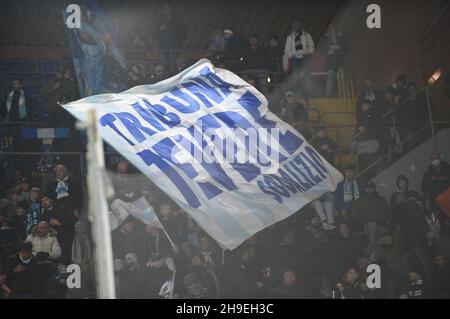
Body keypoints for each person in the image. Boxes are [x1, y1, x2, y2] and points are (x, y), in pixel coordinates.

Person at [283, 21, 315, 99]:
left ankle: (309, 95)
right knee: (295, 77)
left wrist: (307, 53)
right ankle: (296, 95)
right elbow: (287, 50)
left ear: (300, 26)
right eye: (294, 25)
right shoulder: (290, 37)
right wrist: (293, 55)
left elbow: (312, 47)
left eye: (297, 25)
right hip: (295, 59)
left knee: (307, 77)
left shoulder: (307, 35)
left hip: (305, 58)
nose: (295, 27)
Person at [352, 99, 384, 171]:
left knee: (371, 164)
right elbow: (358, 128)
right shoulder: (361, 116)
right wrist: (354, 139)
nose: (362, 106)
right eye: (362, 105)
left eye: (364, 105)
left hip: (371, 142)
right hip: (362, 143)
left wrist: (365, 127)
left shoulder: (374, 115)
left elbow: (375, 126)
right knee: (364, 165)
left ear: (370, 105)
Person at [154, 3, 186, 72]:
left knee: (172, 63)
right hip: (162, 45)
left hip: (173, 45)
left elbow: (183, 32)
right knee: (163, 63)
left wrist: (178, 43)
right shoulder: (160, 20)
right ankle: (164, 78)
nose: (166, 10)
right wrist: (159, 30)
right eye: (164, 8)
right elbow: (154, 33)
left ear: (171, 9)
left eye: (168, 8)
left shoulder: (177, 19)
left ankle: (172, 76)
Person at [322, 24, 346, 97]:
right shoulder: (325, 37)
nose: (331, 28)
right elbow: (322, 48)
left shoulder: (340, 36)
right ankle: (328, 93)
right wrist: (328, 51)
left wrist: (339, 48)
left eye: (332, 27)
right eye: (329, 27)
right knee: (330, 77)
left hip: (340, 59)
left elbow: (347, 47)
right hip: (331, 60)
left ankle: (343, 93)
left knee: (342, 76)